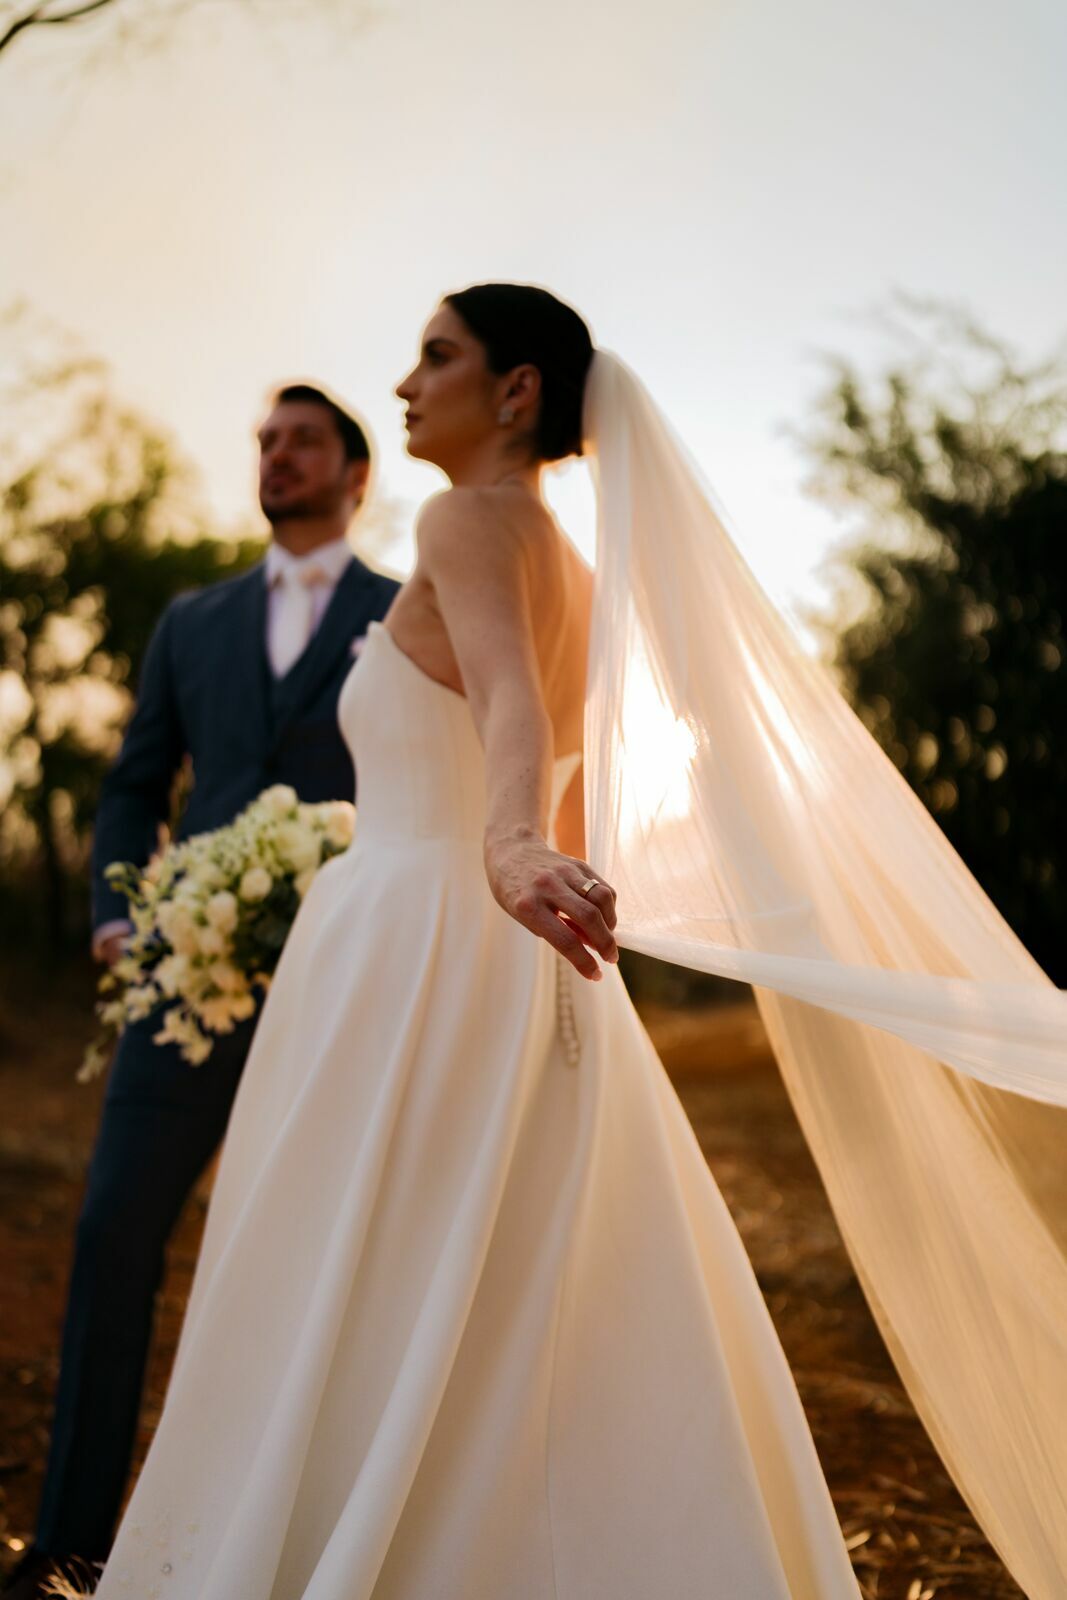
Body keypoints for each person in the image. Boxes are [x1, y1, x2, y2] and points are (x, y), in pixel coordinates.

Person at [77, 285, 865, 1600]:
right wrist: (525, 859)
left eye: (434, 356)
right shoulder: (576, 565)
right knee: (487, 1278)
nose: (405, 383)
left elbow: (505, 703)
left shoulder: (456, 518)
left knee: (366, 1272)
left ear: (513, 395)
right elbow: (549, 751)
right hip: (509, 963)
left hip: (415, 947)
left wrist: (502, 847)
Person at [5, 385, 401, 1600]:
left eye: (301, 442)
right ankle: (70, 1544)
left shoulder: (406, 614)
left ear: (354, 471)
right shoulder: (192, 620)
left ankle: (301, 1545)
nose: (276, 458)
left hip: (345, 982)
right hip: (188, 979)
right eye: (265, 443)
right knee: (115, 1227)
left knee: (323, 1259)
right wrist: (118, 912)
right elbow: (133, 783)